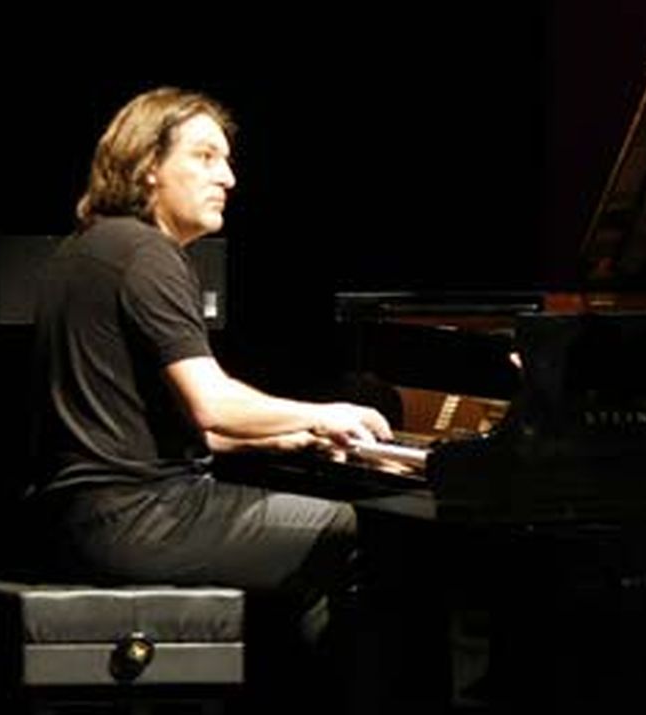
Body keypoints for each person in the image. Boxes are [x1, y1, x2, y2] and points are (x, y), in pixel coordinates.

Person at [27, 86, 394, 641]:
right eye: (204, 157)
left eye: (226, 159)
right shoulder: (149, 253)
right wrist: (325, 412)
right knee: (371, 535)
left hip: (80, 519)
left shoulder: (83, 250)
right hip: (144, 519)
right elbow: (212, 405)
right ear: (149, 165)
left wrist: (271, 439)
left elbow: (142, 429)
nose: (228, 178)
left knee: (328, 560)